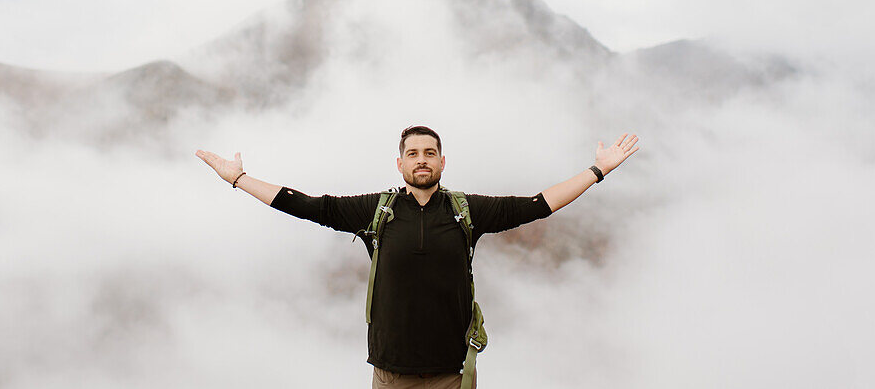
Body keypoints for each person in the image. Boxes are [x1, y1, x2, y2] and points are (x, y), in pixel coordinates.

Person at [195, 125, 640, 388]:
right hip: (391, 373)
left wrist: (597, 170)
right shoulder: (378, 210)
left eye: (429, 153)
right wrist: (239, 179)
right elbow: (311, 206)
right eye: (413, 154)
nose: (421, 160)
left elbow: (536, 204)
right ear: (400, 163)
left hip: (452, 372)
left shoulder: (467, 210)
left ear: (442, 162)